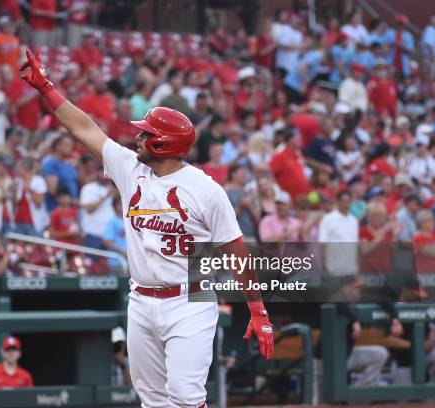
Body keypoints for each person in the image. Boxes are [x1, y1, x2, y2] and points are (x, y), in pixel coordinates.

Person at [19, 48, 273, 407]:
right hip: (141, 300)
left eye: (145, 134)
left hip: (190, 299)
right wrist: (46, 88)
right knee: (152, 400)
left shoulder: (205, 190)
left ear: (162, 143)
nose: (137, 138)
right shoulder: (130, 169)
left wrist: (258, 309)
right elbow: (83, 128)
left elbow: (237, 254)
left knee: (185, 398)